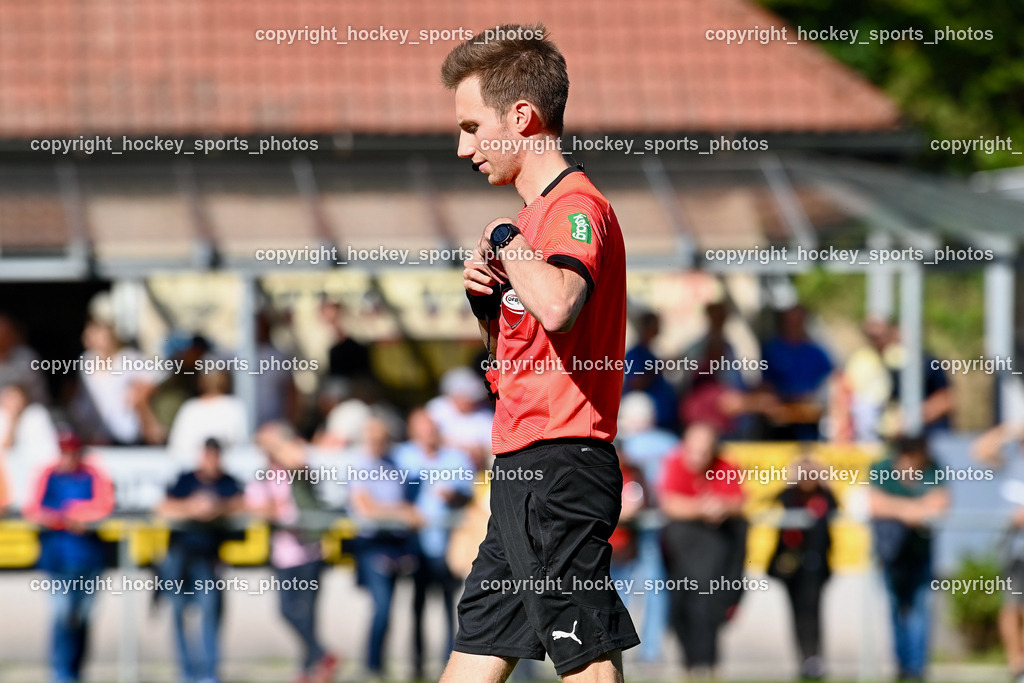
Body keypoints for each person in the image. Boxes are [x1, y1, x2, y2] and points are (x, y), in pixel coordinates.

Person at [440, 23, 639, 683]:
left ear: (521, 117)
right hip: (522, 465)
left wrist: (504, 237)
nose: (462, 146)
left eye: (472, 126)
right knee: (473, 656)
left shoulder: (574, 208)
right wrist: (487, 309)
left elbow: (558, 304)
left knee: (582, 656)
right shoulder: (528, 227)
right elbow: (514, 362)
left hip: (562, 465)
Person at [247, 422, 338, 683]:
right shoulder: (264, 475)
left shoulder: (296, 468)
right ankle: (322, 655)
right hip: (284, 554)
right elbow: (257, 507)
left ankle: (309, 670)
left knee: (309, 613)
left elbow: (299, 461)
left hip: (309, 551)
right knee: (287, 611)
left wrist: (276, 442)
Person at [22, 428, 115, 683]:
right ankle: (60, 673)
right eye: (64, 451)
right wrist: (57, 518)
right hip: (58, 559)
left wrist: (80, 514)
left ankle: (76, 670)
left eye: (72, 451)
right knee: (62, 615)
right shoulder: (48, 474)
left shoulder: (92, 473)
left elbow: (105, 506)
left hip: (89, 559)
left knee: (83, 618)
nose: (68, 456)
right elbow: (33, 509)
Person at [658, 422, 748, 679]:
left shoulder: (725, 466)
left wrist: (720, 506)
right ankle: (689, 666)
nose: (698, 457)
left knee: (708, 607)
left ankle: (707, 666)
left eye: (704, 450)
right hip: (681, 550)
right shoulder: (675, 463)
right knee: (681, 608)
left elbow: (739, 501)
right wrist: (703, 508)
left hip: (715, 551)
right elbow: (670, 503)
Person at [157, 438, 245, 683]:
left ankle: (208, 672)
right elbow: (162, 507)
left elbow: (245, 504)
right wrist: (191, 508)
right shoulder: (185, 480)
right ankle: (186, 671)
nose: (211, 461)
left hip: (208, 560)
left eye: (215, 456)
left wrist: (219, 508)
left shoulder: (228, 483)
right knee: (177, 612)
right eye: (207, 455)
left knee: (209, 612)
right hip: (178, 557)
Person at [395, 409, 474, 679]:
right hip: (414, 546)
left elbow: (468, 495)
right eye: (422, 428)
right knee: (416, 607)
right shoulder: (401, 457)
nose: (428, 433)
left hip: (447, 546)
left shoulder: (455, 457)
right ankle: (416, 664)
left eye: (431, 428)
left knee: (449, 608)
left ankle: (448, 663)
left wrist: (453, 496)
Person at [869, 436, 950, 682]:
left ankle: (916, 669)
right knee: (895, 608)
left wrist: (895, 507)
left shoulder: (933, 469)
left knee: (919, 608)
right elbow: (873, 503)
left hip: (920, 553)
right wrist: (911, 510)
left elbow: (940, 502)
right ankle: (901, 666)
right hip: (891, 554)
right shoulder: (881, 468)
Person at [349, 417, 422, 679]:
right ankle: (371, 663)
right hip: (372, 544)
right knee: (381, 606)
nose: (379, 444)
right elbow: (366, 509)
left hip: (395, 544)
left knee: (389, 607)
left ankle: (377, 663)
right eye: (374, 439)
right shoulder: (360, 464)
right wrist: (403, 513)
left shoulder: (395, 464)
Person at [766, 457, 838, 680]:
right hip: (791, 567)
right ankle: (802, 659)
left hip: (815, 567)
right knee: (796, 614)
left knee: (813, 613)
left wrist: (826, 481)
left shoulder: (823, 498)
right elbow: (772, 502)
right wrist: (790, 480)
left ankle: (815, 659)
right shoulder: (790, 497)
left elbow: (835, 506)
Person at [71, 316, 164, 445]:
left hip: (128, 432)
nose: (93, 336)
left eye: (99, 331)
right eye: (91, 330)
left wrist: (139, 395)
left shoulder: (129, 357)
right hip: (97, 436)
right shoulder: (85, 361)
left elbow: (157, 378)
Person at [761, 306, 834, 441]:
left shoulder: (816, 353)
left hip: (809, 421)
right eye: (790, 322)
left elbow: (830, 381)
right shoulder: (772, 349)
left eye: (798, 321)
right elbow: (765, 384)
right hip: (780, 420)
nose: (793, 326)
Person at [167, 368, 248, 464]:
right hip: (193, 471)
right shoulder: (190, 408)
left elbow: (239, 445)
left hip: (224, 471)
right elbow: (178, 447)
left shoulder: (233, 406)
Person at [426, 367, 494, 469]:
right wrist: (464, 448)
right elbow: (427, 437)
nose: (470, 401)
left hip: (478, 465)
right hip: (443, 464)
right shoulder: (436, 408)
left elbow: (492, 444)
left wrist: (480, 451)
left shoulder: (485, 413)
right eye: (465, 396)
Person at [623, 311, 677, 431]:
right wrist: (657, 368)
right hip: (646, 420)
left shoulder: (652, 352)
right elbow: (635, 383)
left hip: (663, 418)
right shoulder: (635, 354)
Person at [0, 382, 59, 459]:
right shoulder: (3, 418)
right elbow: (5, 447)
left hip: (38, 463)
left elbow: (47, 446)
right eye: (8, 398)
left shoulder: (35, 415)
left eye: (15, 397)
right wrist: (12, 419)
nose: (12, 402)